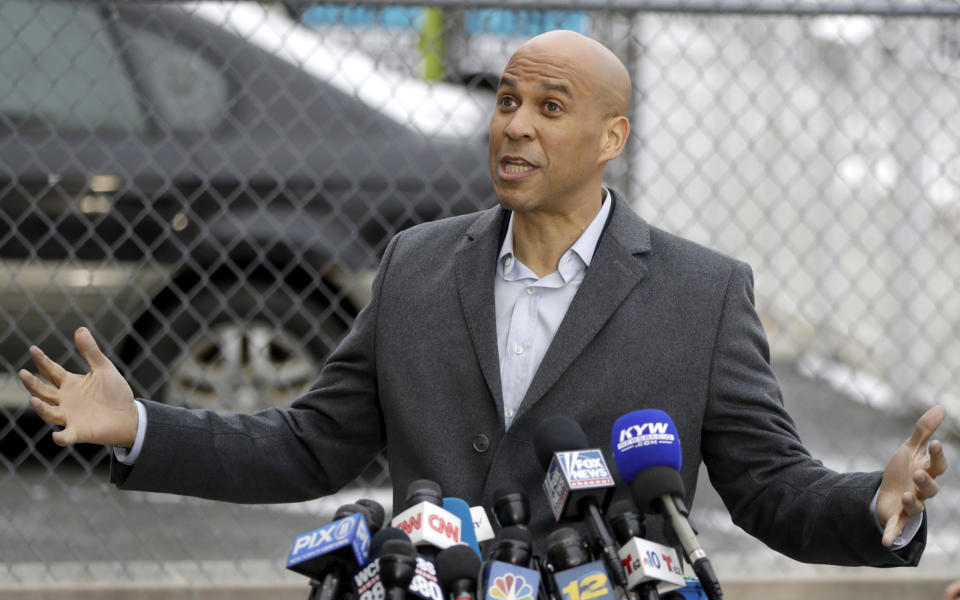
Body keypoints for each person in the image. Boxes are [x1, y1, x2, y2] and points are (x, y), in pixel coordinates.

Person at [19, 30, 946, 566]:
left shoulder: (703, 294)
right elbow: (310, 447)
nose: (515, 124)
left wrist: (876, 504)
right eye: (506, 101)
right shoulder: (417, 266)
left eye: (551, 106)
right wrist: (142, 425)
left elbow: (771, 488)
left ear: (610, 135)